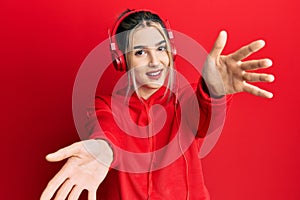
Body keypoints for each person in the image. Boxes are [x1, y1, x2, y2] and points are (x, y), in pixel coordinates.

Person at [40, 9, 274, 200]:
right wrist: (102, 151)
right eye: (140, 52)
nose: (155, 62)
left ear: (171, 50)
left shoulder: (187, 98)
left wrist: (214, 90)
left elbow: (207, 120)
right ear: (121, 59)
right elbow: (107, 132)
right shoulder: (106, 106)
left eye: (161, 48)